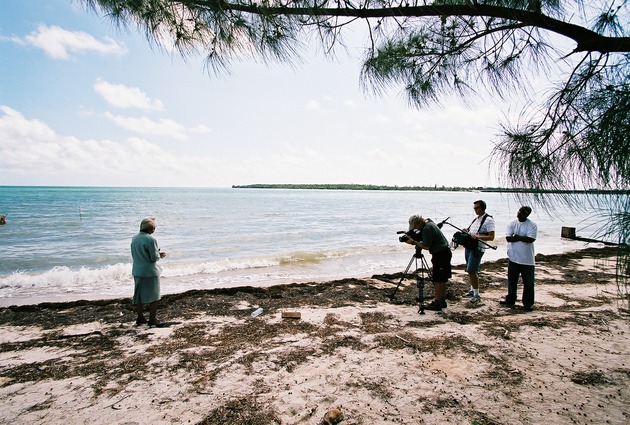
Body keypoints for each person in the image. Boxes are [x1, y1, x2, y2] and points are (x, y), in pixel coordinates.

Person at [406, 214, 452, 312]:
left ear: (419, 223)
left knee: (438, 279)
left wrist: (414, 242)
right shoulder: (429, 223)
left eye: (415, 226)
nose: (416, 229)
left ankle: (437, 302)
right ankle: (442, 300)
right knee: (442, 278)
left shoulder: (427, 228)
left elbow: (426, 246)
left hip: (440, 254)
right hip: (444, 252)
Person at [131, 217, 167, 326]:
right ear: (151, 229)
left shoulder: (134, 238)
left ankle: (140, 317)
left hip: (137, 269)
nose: (154, 230)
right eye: (154, 228)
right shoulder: (151, 239)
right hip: (150, 271)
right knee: (154, 296)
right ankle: (152, 319)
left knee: (139, 295)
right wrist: (159, 254)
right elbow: (153, 258)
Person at [501, 206, 538, 311]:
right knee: (512, 280)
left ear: (527, 215)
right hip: (513, 257)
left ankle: (528, 303)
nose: (519, 214)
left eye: (523, 213)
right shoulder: (512, 223)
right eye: (519, 211)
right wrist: (521, 238)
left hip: (527, 259)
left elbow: (530, 239)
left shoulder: (532, 225)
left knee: (528, 283)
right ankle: (510, 299)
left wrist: (517, 237)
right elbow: (508, 238)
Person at [462, 200, 495, 305]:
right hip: (469, 247)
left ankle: (476, 294)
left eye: (477, 208)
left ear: (483, 208)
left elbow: (491, 237)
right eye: (474, 208)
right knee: (469, 269)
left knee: (472, 270)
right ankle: (472, 290)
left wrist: (477, 236)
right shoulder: (475, 219)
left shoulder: (488, 220)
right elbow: (472, 231)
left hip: (478, 248)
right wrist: (466, 231)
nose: (475, 210)